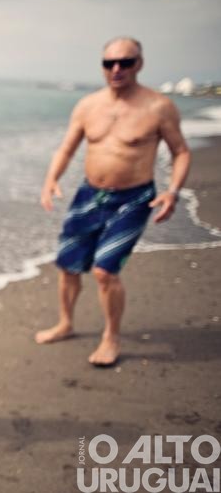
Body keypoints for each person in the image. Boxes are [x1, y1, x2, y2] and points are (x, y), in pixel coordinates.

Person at [36, 36, 191, 366]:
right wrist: (51, 180)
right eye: (109, 63)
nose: (117, 69)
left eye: (125, 62)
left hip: (133, 199)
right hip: (89, 195)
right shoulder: (88, 105)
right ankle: (65, 323)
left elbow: (181, 151)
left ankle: (111, 338)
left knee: (105, 271)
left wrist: (172, 191)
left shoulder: (158, 107)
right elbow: (67, 148)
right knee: (68, 265)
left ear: (139, 64)